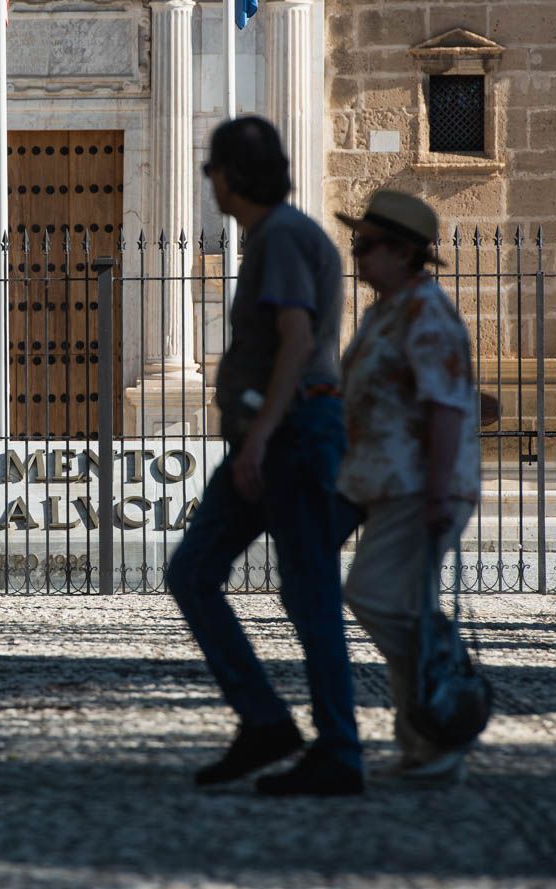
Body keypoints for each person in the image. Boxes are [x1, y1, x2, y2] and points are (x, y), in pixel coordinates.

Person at [166, 116, 363, 797]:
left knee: (308, 592)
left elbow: (297, 341)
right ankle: (265, 720)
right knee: (194, 571)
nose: (209, 186)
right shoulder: (282, 235)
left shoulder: (280, 238)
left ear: (228, 176)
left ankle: (339, 748)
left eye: (211, 173)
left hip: (292, 437)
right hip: (278, 436)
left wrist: (259, 437)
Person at [336, 189, 481, 786]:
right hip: (386, 482)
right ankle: (426, 739)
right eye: (356, 243)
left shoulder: (425, 311)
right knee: (404, 610)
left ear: (401, 253)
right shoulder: (384, 311)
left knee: (373, 597)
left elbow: (445, 407)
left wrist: (439, 492)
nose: (358, 255)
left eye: (366, 245)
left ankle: (449, 700)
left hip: (418, 486)